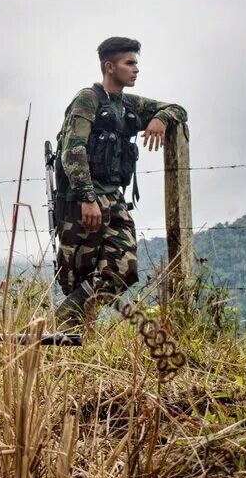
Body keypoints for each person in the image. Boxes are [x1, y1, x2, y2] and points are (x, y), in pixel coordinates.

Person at [52, 37, 188, 327]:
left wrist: (161, 119)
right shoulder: (88, 99)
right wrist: (87, 197)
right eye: (129, 63)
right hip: (82, 201)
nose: (136, 69)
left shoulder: (127, 105)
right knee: (77, 274)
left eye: (136, 62)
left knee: (124, 269)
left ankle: (65, 319)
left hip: (114, 199)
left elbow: (178, 109)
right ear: (109, 66)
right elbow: (72, 151)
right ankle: (69, 334)